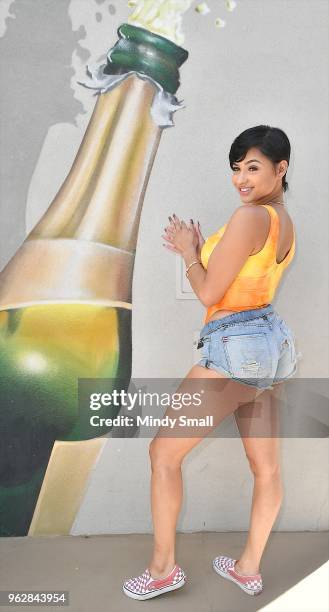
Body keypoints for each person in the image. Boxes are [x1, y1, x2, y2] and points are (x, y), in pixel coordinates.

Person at [122, 125, 300, 600]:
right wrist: (205, 249)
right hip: (270, 345)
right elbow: (246, 276)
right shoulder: (283, 221)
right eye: (237, 168)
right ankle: (248, 568)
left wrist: (187, 252)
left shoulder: (248, 218)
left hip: (234, 345)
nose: (242, 178)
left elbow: (209, 292)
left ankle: (162, 570)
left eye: (253, 167)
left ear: (281, 168)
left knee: (164, 454)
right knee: (266, 469)